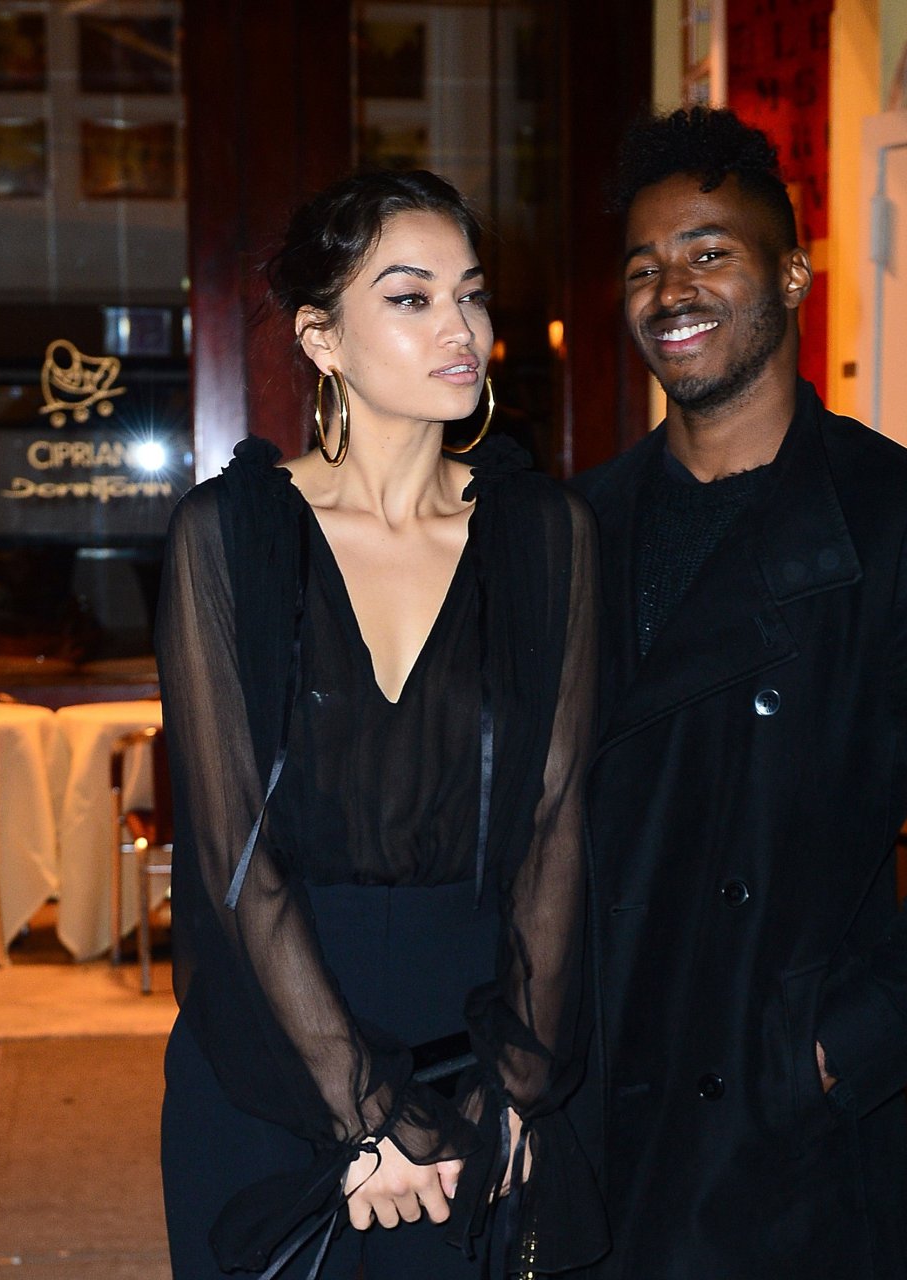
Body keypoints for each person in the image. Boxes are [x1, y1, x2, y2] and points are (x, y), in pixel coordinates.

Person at [571, 107, 907, 1278]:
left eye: (708, 252)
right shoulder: (577, 525)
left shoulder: (904, 520)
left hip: (773, 1117)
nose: (671, 290)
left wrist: (837, 1048)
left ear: (792, 273)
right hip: (592, 1093)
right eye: (643, 266)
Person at [156, 169, 605, 1279]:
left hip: (480, 1056)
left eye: (472, 294)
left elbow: (556, 818)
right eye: (411, 298)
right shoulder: (230, 535)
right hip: (271, 1055)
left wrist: (516, 1084)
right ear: (323, 338)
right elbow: (229, 850)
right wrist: (362, 1108)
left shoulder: (546, 532)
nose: (461, 328)